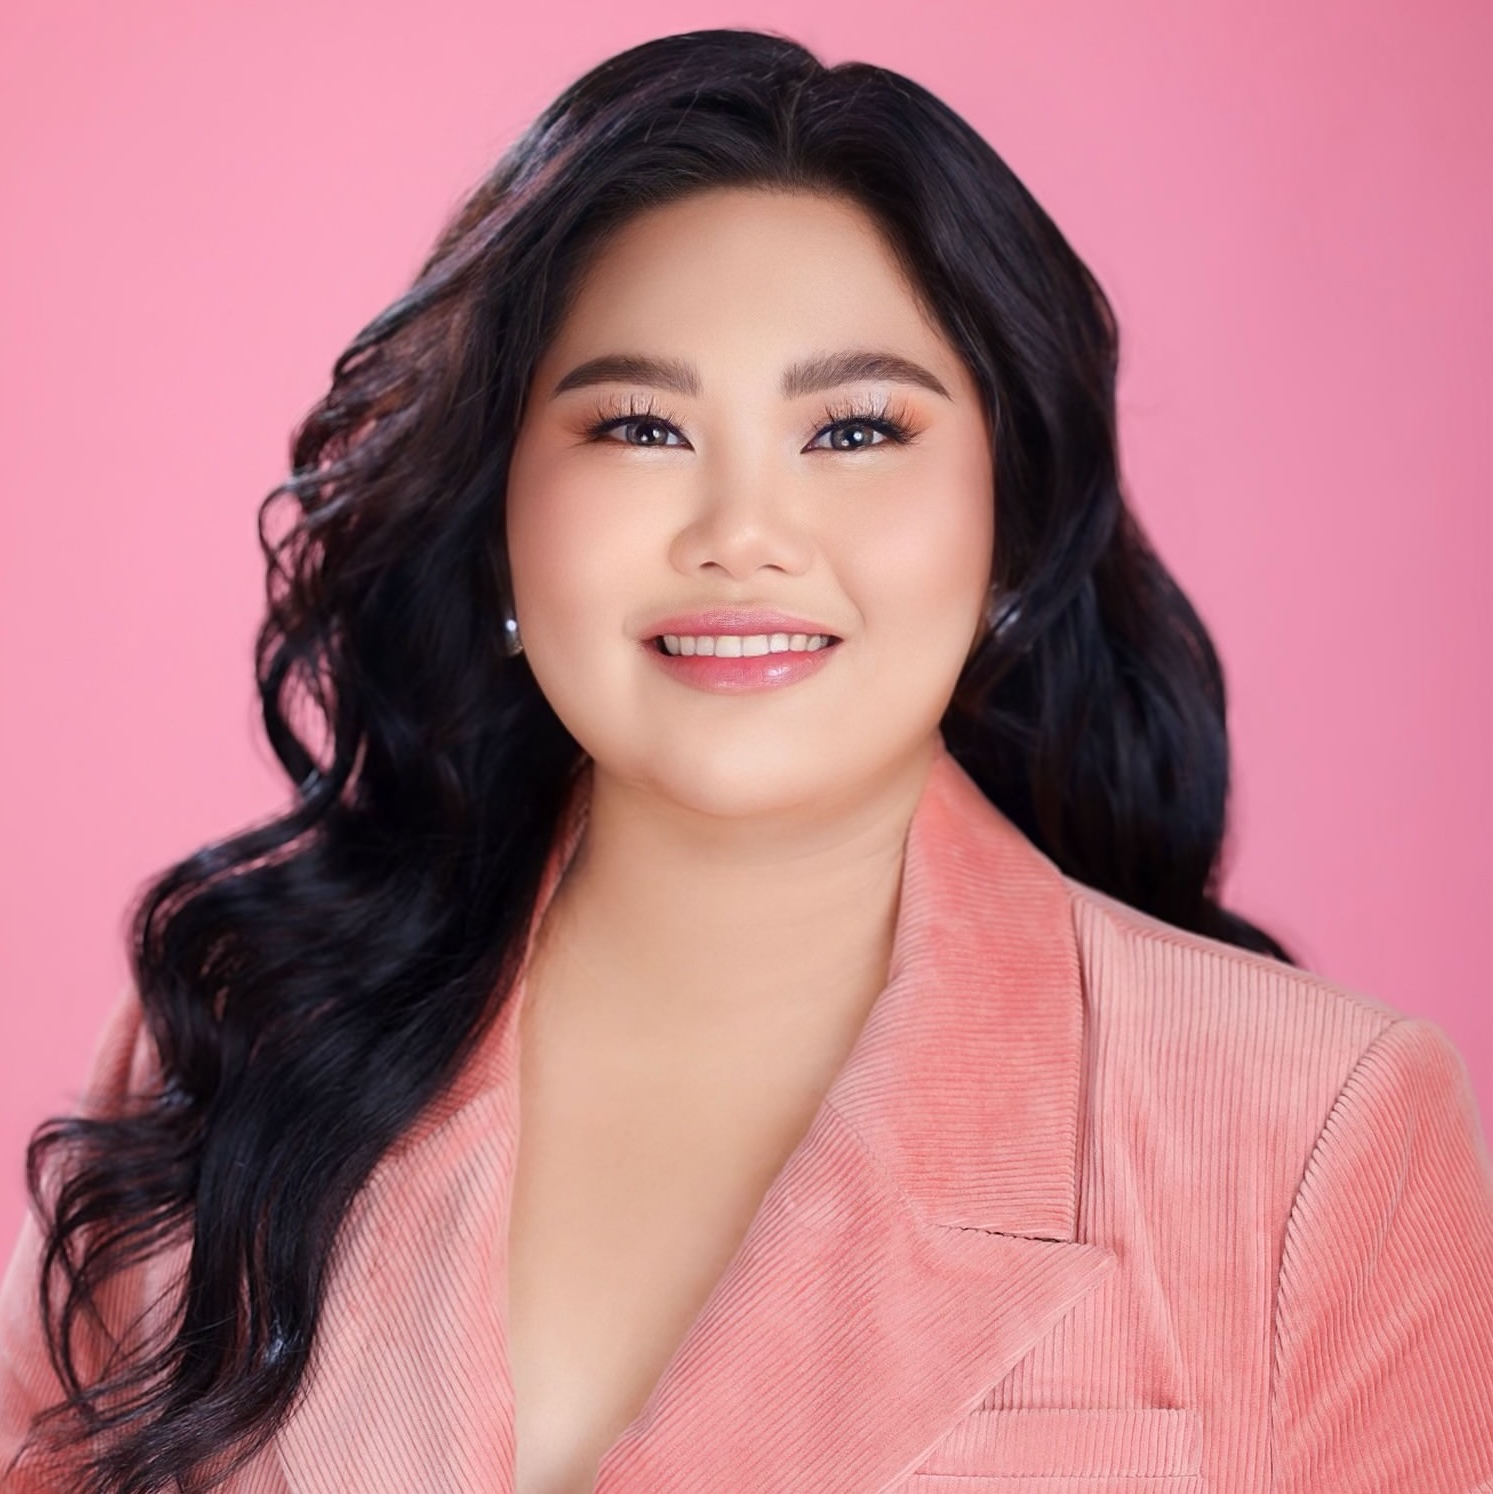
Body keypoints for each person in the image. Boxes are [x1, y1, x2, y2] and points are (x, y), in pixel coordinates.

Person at [3, 26, 1491, 1494]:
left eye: (851, 430)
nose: (739, 532)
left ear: (1005, 526)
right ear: (501, 510)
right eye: (639, 424)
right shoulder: (231, 1042)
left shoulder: (1310, 1141)